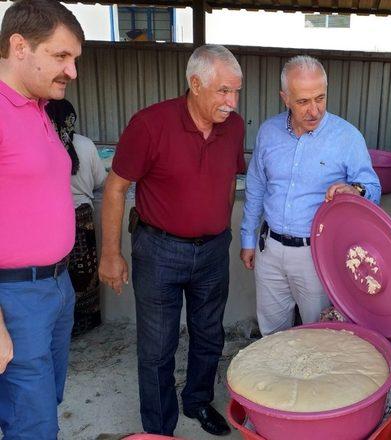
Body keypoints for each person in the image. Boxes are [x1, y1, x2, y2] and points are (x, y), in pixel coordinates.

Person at [98, 45, 244, 436]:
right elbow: (115, 189)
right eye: (224, 91)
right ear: (195, 84)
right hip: (159, 250)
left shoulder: (234, 126)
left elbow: (230, 180)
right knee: (157, 346)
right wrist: (111, 254)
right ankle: (158, 429)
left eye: (236, 92)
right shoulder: (150, 124)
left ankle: (197, 401)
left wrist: (219, 227)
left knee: (209, 334)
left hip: (213, 250)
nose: (232, 102)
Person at [239, 55, 381, 336]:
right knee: (272, 333)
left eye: (320, 98)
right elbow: (255, 186)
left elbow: (372, 187)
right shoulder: (268, 132)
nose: (314, 110)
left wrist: (356, 191)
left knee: (319, 335)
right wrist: (248, 238)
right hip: (270, 250)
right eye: (303, 101)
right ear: (285, 98)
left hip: (317, 255)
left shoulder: (346, 137)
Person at [0, 1, 84, 438]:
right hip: (14, 296)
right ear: (19, 46)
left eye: (74, 60)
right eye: (60, 56)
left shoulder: (38, 109)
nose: (71, 71)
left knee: (40, 406)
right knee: (30, 423)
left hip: (55, 286)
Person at [46, 99, 107, 337]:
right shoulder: (85, 144)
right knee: (85, 275)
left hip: (53, 219)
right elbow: (101, 180)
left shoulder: (45, 143)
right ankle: (84, 324)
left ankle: (58, 328)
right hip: (82, 217)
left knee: (57, 275)